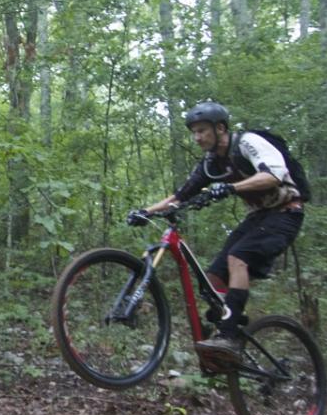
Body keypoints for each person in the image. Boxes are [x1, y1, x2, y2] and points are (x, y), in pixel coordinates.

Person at [127, 101, 305, 367]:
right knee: (214, 278)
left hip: (285, 213)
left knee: (238, 258)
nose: (197, 137)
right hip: (258, 217)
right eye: (194, 132)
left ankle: (229, 335)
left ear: (220, 128)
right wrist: (145, 211)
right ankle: (228, 325)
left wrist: (231, 188)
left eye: (202, 131)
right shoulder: (211, 163)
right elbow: (180, 196)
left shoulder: (247, 143)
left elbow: (274, 175)